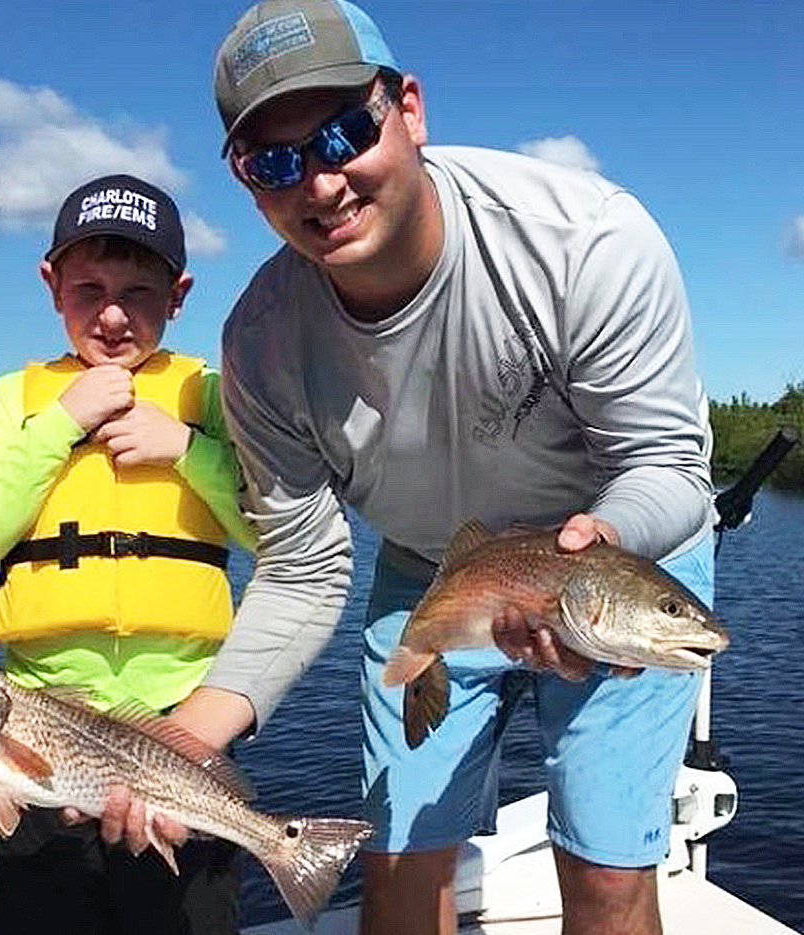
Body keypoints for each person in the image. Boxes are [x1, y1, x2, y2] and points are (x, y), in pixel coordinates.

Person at [123, 2, 716, 934]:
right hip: (431, 567)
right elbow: (302, 566)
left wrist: (600, 545)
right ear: (245, 182)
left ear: (408, 109)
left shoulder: (585, 240)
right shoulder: (261, 345)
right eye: (274, 161)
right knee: (397, 864)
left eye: (343, 134)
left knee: (607, 872)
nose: (319, 184)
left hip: (621, 557)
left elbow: (668, 465)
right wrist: (186, 738)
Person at [0, 173, 256, 935]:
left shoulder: (209, 397)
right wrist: (58, 424)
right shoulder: (16, 398)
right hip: (35, 724)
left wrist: (188, 449)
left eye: (139, 292)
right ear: (51, 285)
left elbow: (273, 529)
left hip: (187, 723)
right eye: (89, 288)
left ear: (178, 294)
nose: (113, 314)